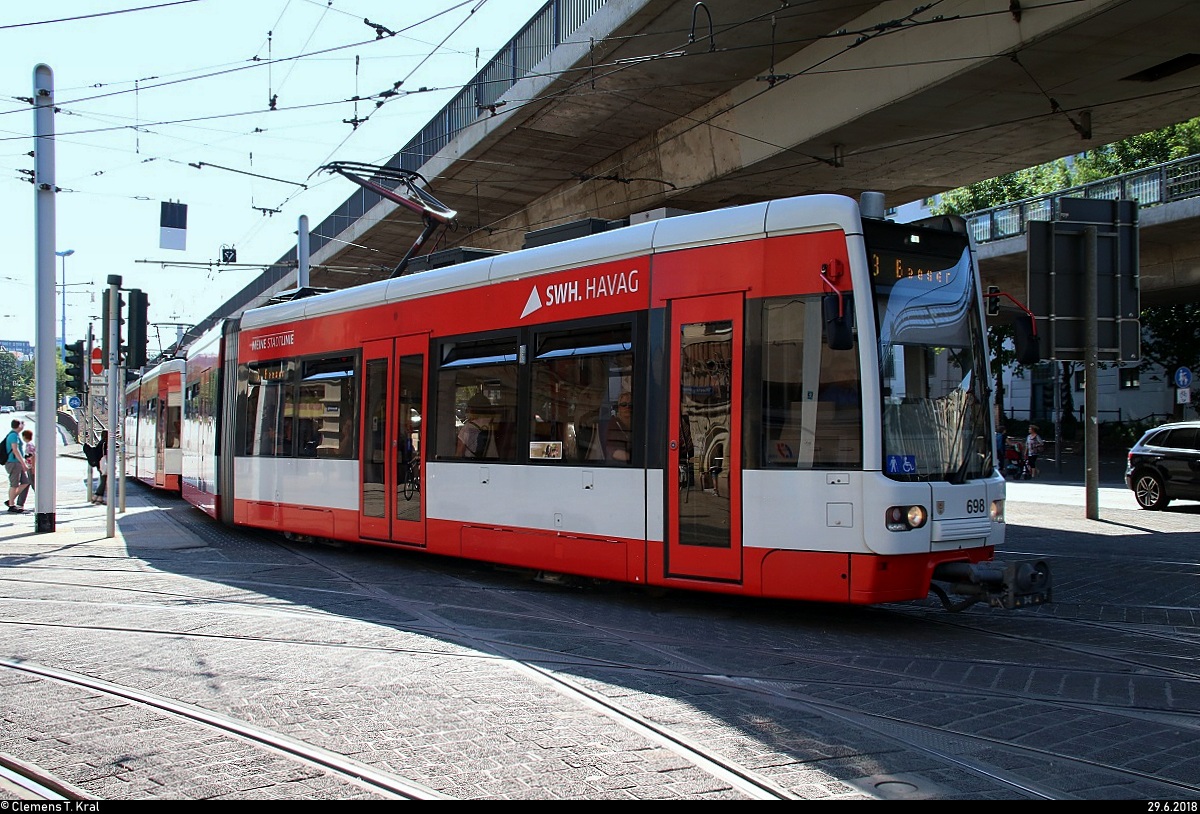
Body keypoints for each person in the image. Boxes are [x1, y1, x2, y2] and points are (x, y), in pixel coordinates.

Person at [457, 393, 497, 459]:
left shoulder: (467, 427)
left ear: (471, 409)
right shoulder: (494, 423)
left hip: (472, 464)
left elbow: (459, 453)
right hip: (494, 462)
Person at [4, 418, 29, 513]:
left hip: (16, 462)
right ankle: (11, 505)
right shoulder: (13, 435)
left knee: (26, 482)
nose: (23, 426)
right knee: (14, 484)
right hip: (13, 462)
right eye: (22, 424)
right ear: (19, 426)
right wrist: (23, 463)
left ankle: (11, 500)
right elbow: (15, 450)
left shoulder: (15, 435)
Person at [605, 393, 633, 463]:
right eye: (623, 405)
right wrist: (635, 458)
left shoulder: (639, 423)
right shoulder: (614, 423)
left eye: (630, 405)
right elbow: (614, 452)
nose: (627, 407)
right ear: (619, 408)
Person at [14, 428, 35, 510]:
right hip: (29, 467)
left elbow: (32, 456)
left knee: (32, 485)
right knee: (26, 483)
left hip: (30, 467)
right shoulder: (31, 444)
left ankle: (41, 501)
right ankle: (20, 503)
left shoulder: (29, 445)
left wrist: (33, 467)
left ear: (24, 437)